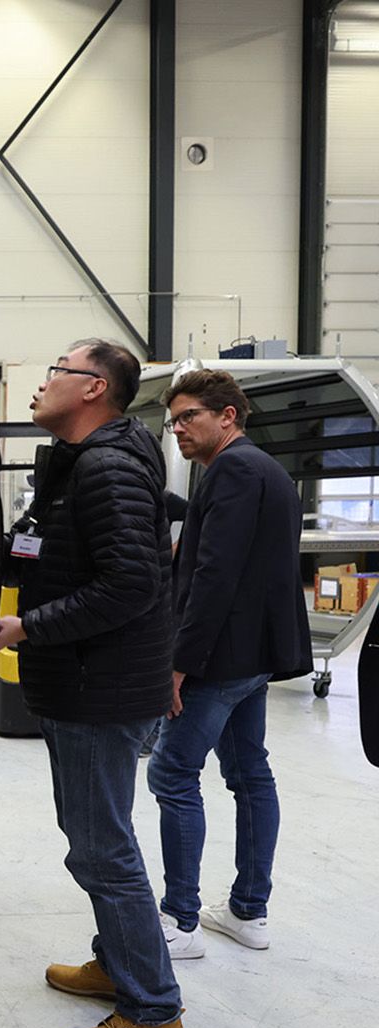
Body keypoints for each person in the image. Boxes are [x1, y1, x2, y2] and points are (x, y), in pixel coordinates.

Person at [0, 339, 188, 1028]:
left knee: (104, 849)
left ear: (94, 389)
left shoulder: (105, 469)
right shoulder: (80, 467)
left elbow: (132, 582)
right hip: (86, 684)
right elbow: (43, 551)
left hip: (98, 690)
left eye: (56, 373)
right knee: (92, 839)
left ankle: (153, 1015)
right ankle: (119, 960)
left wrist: (29, 625)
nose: (41, 385)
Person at [147, 369, 309, 957]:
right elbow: (223, 557)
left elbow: (216, 577)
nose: (179, 429)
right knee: (248, 774)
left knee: (171, 774)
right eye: (175, 420)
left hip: (219, 659)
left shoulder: (233, 471)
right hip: (254, 657)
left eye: (189, 416)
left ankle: (180, 920)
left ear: (227, 416)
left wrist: (178, 663)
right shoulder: (268, 471)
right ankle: (248, 912)